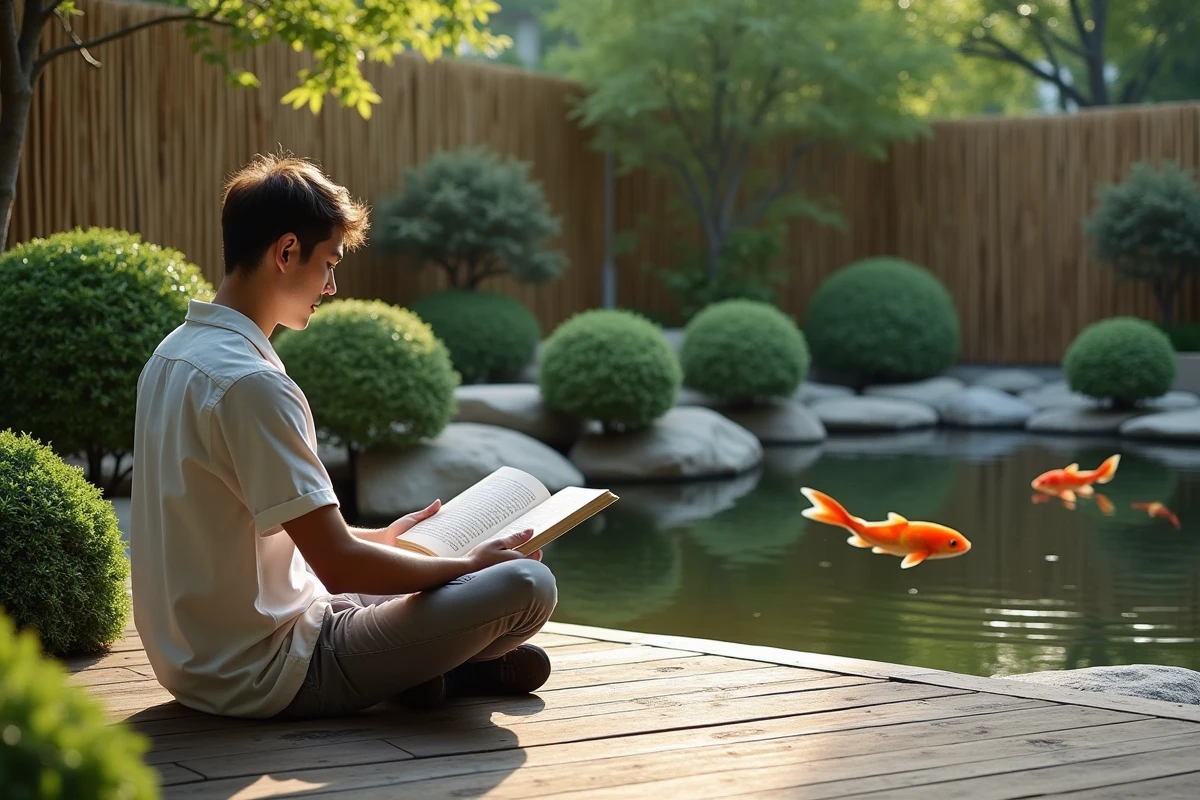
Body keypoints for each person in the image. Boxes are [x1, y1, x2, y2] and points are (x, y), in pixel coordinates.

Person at [129, 151, 558, 720]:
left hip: (199, 658)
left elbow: (267, 532)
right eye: (329, 263)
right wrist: (469, 565)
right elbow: (338, 566)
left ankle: (431, 670)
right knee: (527, 583)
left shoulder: (173, 355)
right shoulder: (251, 383)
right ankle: (440, 669)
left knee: (458, 573)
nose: (332, 286)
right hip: (270, 668)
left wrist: (382, 537)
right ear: (286, 252)